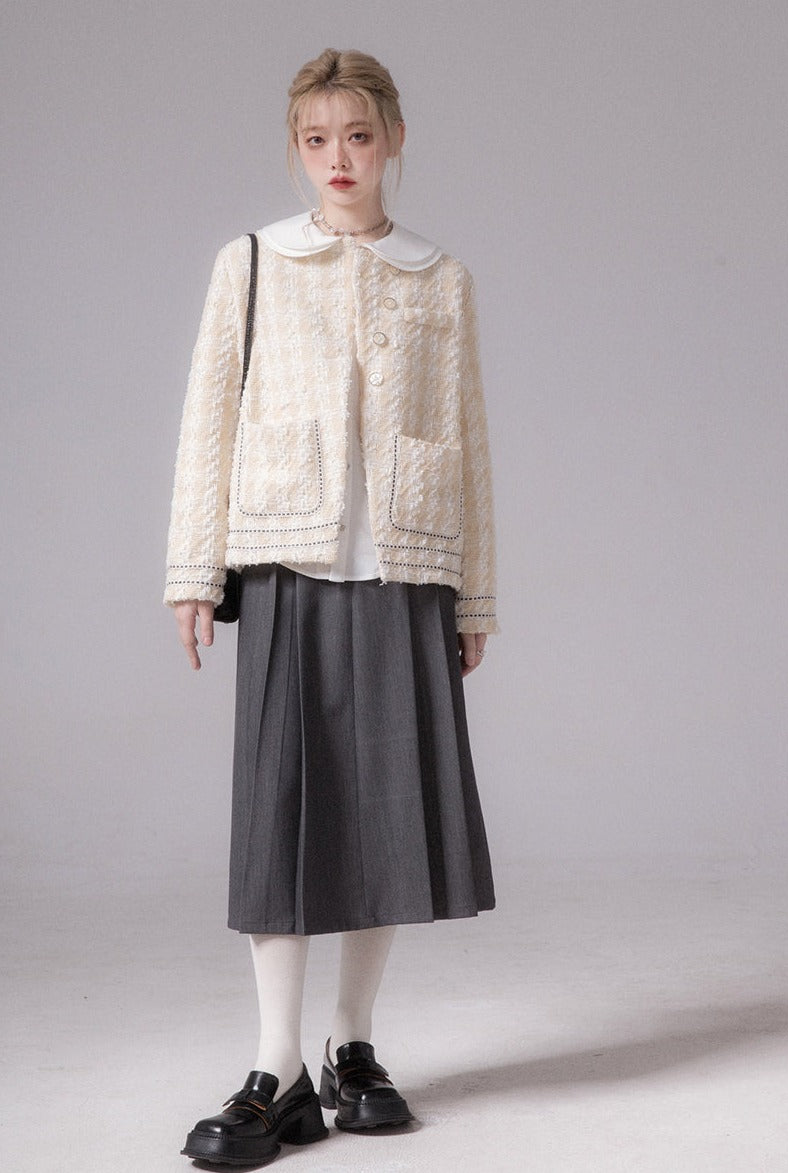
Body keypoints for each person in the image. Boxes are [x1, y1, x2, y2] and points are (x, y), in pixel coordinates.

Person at [164, 47, 499, 1168]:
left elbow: (468, 442)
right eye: (317, 140)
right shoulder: (254, 262)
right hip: (286, 561)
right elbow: (208, 416)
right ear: (296, 149)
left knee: (383, 814)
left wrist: (475, 590)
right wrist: (192, 570)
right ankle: (278, 1068)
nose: (338, 159)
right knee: (280, 813)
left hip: (404, 565)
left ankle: (353, 1046)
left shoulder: (439, 278)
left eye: (358, 135)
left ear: (393, 139)